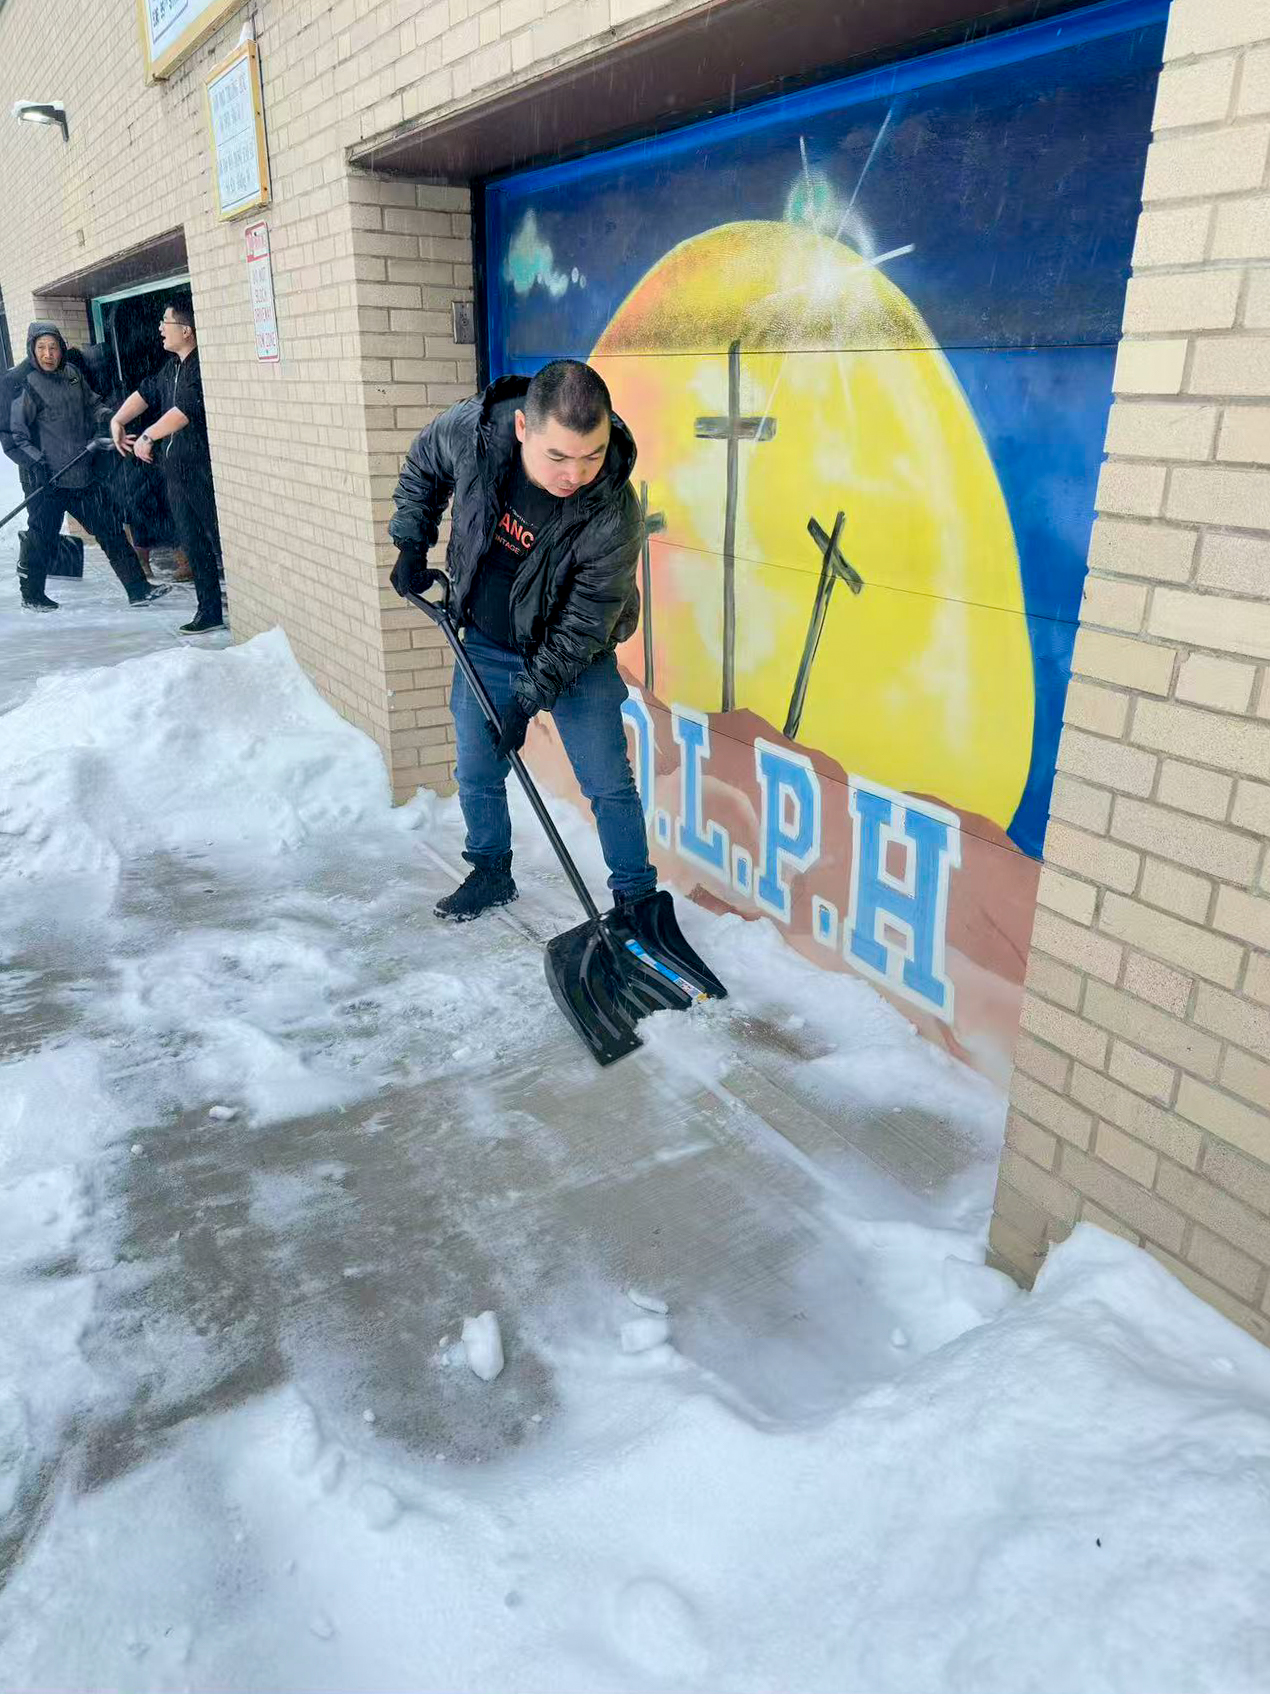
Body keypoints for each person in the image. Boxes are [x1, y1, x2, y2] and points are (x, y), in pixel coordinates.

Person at [389, 358, 658, 922]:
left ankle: (636, 900)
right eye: (557, 456)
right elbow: (423, 463)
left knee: (608, 783)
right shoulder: (476, 433)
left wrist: (528, 697)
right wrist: (412, 542)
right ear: (521, 429)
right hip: (485, 643)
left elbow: (585, 623)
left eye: (592, 455)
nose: (575, 474)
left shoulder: (613, 510)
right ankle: (491, 870)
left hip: (575, 657)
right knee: (477, 769)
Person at [5, 322, 170, 611]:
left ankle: (138, 589)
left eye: (53, 348)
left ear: (62, 349)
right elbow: (14, 436)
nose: (48, 354)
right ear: (32, 349)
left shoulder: (72, 374)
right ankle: (32, 595)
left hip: (81, 472)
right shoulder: (25, 384)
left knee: (110, 529)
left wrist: (109, 418)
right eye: (41, 348)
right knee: (42, 536)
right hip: (46, 479)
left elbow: (92, 405)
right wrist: (36, 464)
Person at [110, 301, 224, 635]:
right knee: (193, 544)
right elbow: (145, 392)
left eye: (166, 322)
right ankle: (209, 612)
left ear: (186, 330)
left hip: (202, 473)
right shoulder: (171, 367)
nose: (160, 328)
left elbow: (184, 411)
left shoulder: (198, 366)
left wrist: (148, 435)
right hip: (176, 474)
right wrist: (118, 420)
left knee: (218, 541)